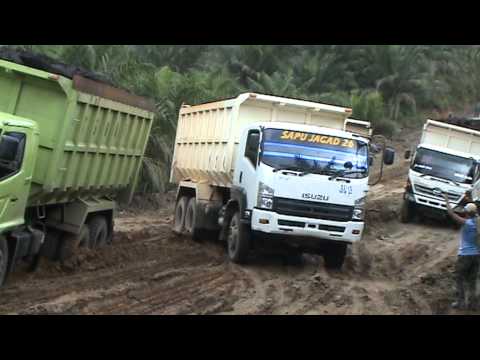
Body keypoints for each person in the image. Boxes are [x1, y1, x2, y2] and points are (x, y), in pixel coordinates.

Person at [443, 192, 480, 310]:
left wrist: (447, 200)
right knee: (472, 280)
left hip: (465, 256)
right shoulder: (478, 222)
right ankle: (473, 304)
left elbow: (451, 213)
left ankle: (461, 302)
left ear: (467, 213)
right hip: (477, 255)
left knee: (459, 277)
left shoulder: (467, 223)